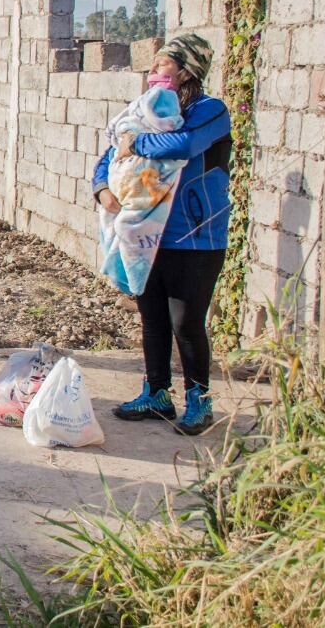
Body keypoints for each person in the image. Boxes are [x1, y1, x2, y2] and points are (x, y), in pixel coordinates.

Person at [94, 33, 230, 436]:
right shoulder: (140, 111)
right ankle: (155, 393)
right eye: (151, 66)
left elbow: (185, 145)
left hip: (196, 236)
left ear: (187, 70)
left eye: (162, 64)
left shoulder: (209, 111)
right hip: (144, 235)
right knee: (152, 318)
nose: (153, 71)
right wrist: (102, 189)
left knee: (186, 322)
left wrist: (135, 142)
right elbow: (108, 153)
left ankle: (199, 402)